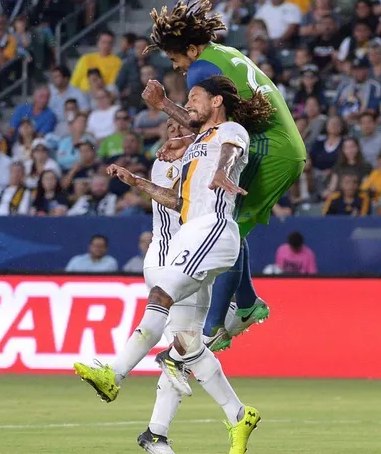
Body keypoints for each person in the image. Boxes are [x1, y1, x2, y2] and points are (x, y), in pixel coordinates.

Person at [76, 75, 264, 454]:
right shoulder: (196, 144)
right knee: (186, 342)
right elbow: (177, 201)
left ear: (215, 102)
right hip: (192, 233)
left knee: (161, 293)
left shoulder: (231, 130)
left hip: (211, 230)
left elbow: (228, 150)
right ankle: (237, 414)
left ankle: (114, 375)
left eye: (194, 98)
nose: (188, 105)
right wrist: (137, 181)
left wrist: (224, 171)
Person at [142, 0, 306, 351]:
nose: (181, 69)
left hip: (269, 149)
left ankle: (214, 327)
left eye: (176, 60)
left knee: (220, 226)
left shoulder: (203, 69)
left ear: (190, 48)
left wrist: (162, 106)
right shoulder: (222, 53)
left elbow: (208, 123)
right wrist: (188, 140)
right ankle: (245, 305)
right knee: (226, 222)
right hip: (278, 145)